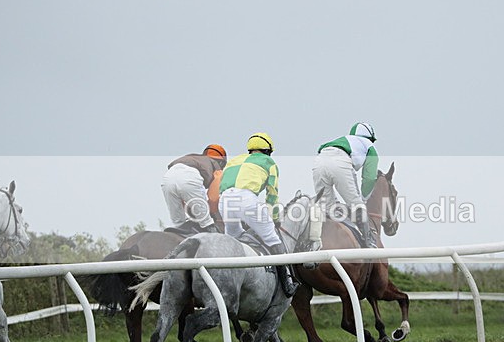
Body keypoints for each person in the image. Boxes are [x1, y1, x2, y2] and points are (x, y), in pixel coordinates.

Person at [219, 132, 298, 297]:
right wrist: (275, 218)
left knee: (234, 238)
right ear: (268, 151)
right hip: (246, 199)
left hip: (225, 200)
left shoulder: (234, 160)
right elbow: (272, 195)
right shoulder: (270, 163)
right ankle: (288, 282)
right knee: (272, 238)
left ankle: (224, 280)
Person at [313, 122, 380, 247]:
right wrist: (363, 200)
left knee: (327, 208)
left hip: (319, 160)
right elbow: (369, 178)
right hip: (341, 162)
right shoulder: (369, 146)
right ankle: (368, 242)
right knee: (357, 205)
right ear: (370, 138)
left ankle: (315, 242)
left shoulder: (344, 141)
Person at [161, 144, 227, 235]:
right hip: (189, 177)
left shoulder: (194, 158)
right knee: (207, 223)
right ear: (221, 162)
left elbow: (184, 198)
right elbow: (213, 198)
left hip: (168, 178)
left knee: (179, 224)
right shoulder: (217, 169)